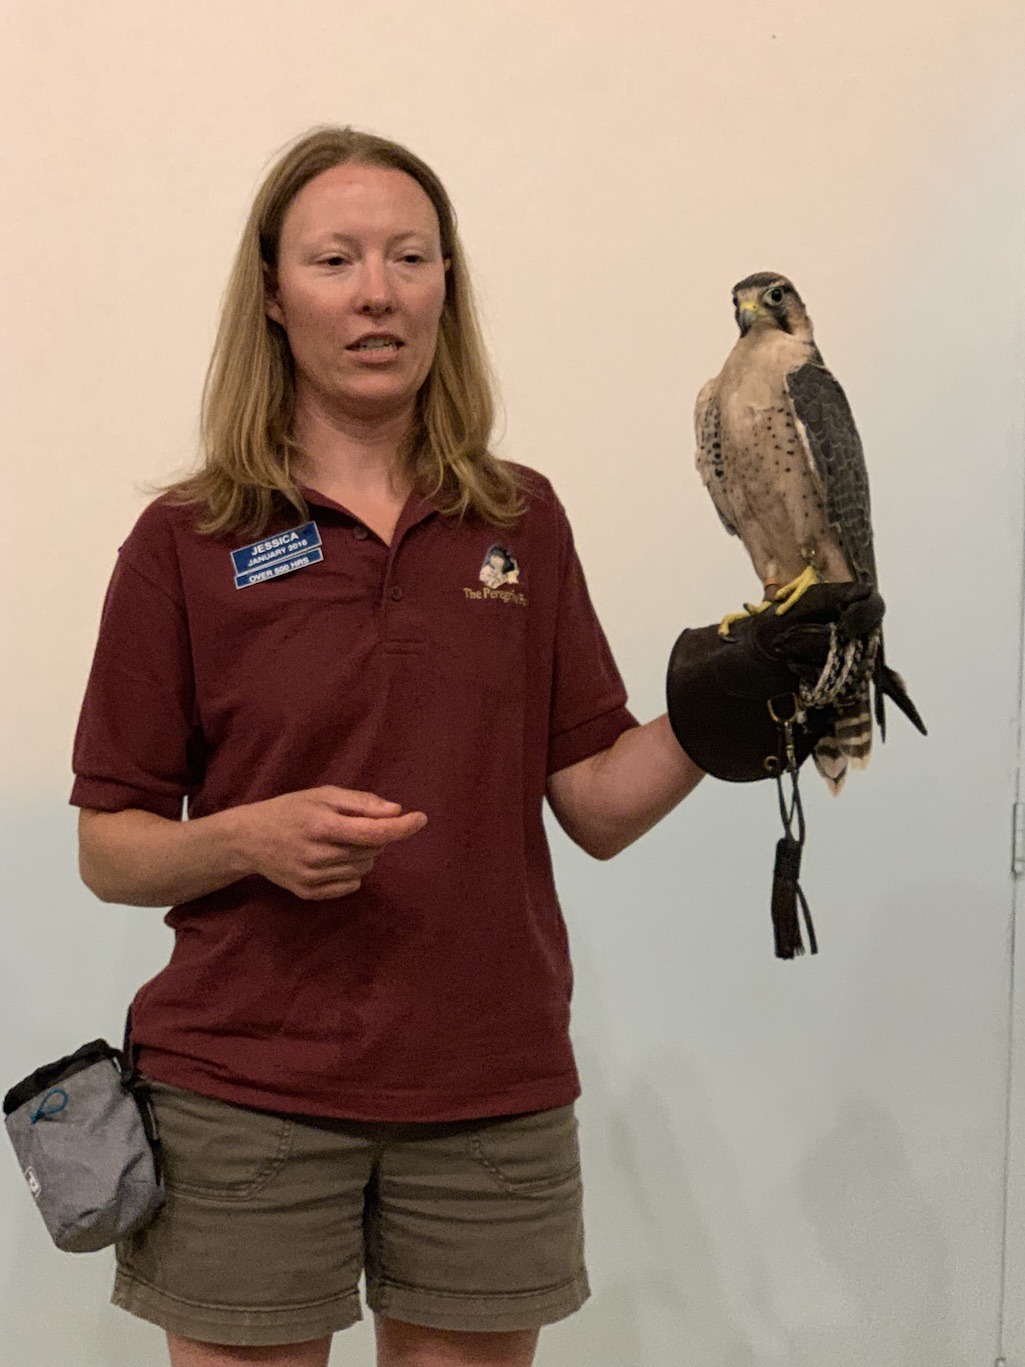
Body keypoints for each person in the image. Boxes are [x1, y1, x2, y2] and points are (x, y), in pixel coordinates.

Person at [71, 125, 707, 1367]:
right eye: (335, 259)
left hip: (488, 1088)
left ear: (445, 286)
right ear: (271, 293)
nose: (377, 291)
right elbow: (109, 845)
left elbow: (595, 799)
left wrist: (724, 712)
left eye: (410, 257)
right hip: (245, 1087)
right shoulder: (188, 540)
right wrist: (250, 837)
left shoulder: (519, 519)